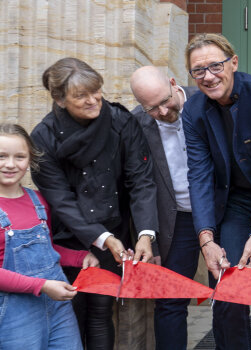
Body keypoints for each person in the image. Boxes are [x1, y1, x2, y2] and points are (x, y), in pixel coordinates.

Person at [31, 57, 158, 349]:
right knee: (71, 310)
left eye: (96, 90)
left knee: (102, 310)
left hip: (116, 227)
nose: (93, 100)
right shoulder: (43, 136)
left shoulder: (120, 120)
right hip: (69, 236)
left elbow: (140, 180)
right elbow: (59, 199)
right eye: (81, 96)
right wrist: (102, 238)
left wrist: (145, 234)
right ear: (60, 100)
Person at [182, 33, 251, 350]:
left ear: (233, 62)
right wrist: (207, 239)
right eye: (198, 70)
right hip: (236, 201)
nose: (207, 76)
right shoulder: (193, 111)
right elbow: (199, 175)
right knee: (229, 287)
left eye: (215, 65)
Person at [0, 123, 99, 349]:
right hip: (14, 312)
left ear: (30, 161)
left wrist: (79, 258)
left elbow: (45, 248)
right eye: (2, 156)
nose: (10, 164)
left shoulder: (39, 201)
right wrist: (42, 285)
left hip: (57, 307)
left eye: (20, 157)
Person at [129, 66, 200, 350]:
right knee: (170, 301)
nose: (161, 111)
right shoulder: (136, 124)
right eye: (151, 108)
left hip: (221, 213)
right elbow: (138, 184)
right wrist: (150, 237)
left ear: (173, 83)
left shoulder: (204, 102)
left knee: (232, 296)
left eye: (164, 101)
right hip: (175, 221)